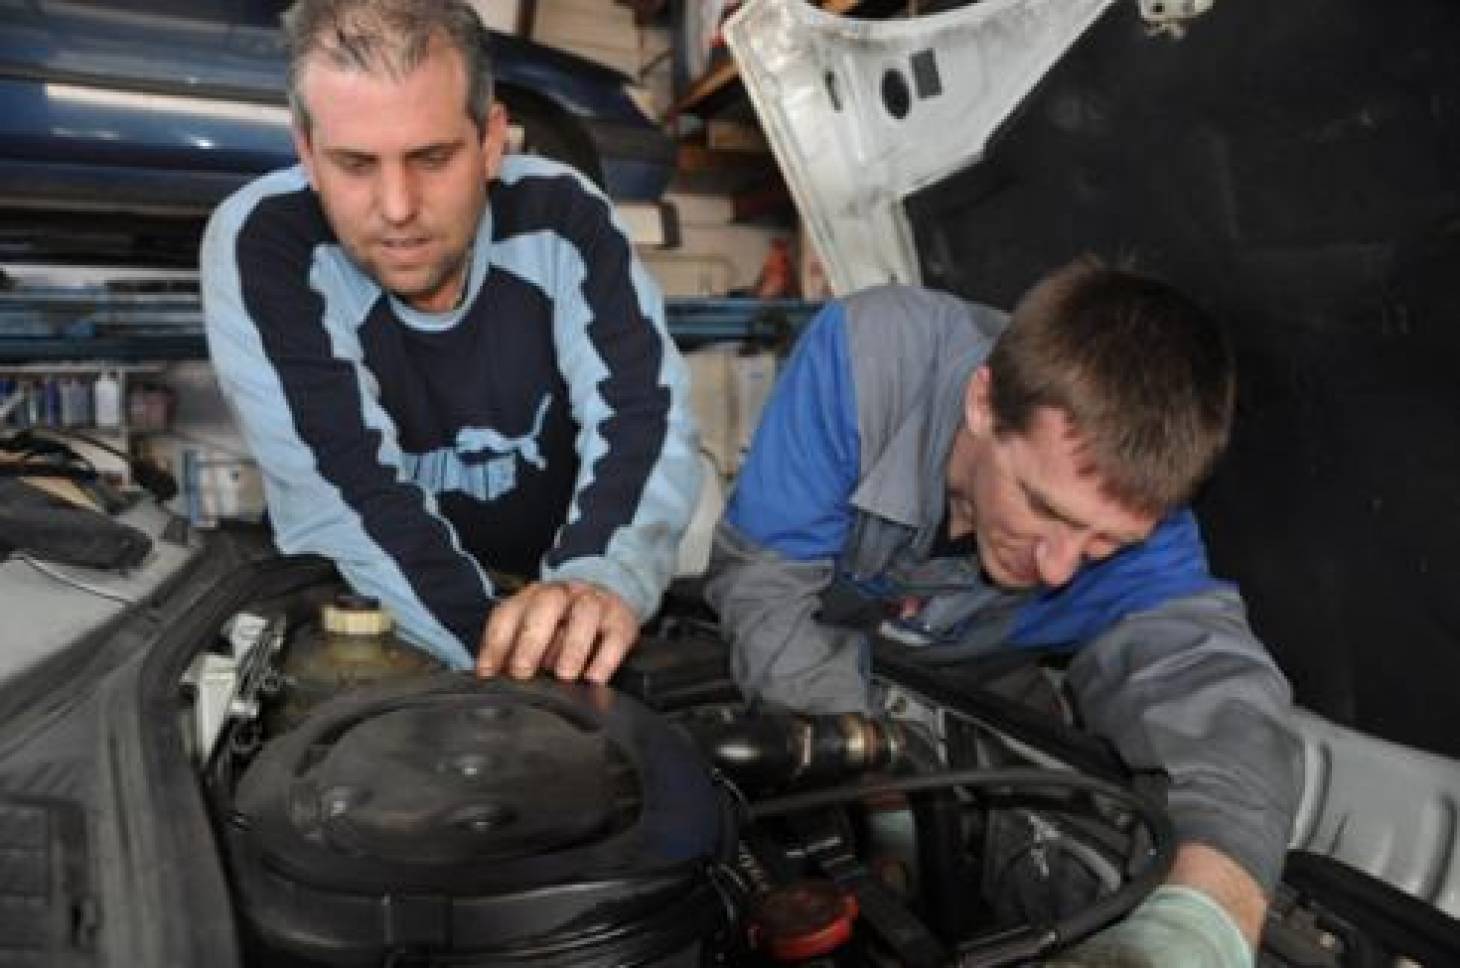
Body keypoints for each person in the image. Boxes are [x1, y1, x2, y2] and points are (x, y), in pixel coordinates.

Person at [705, 260, 1302, 965]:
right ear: (984, 402)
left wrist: (1201, 920)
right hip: (814, 659)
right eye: (1043, 506)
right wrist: (877, 796)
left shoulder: (1146, 523)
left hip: (979, 682)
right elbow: (764, 589)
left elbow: (1214, 691)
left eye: (1106, 541)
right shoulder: (871, 358)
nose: (1059, 568)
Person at [202, 0, 699, 684]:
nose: (399, 206)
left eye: (431, 158)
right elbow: (347, 493)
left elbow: (641, 418)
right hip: (382, 631)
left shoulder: (563, 215)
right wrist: (524, 672)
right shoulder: (264, 242)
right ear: (307, 154)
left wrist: (597, 582)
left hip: (556, 604)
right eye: (354, 164)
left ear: (492, 140)